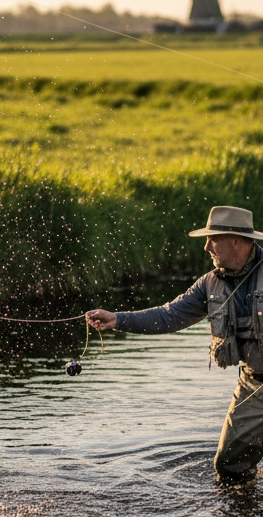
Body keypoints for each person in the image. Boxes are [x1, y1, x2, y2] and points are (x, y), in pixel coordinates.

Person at [86, 205, 263, 481]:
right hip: (253, 384)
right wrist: (117, 319)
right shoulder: (209, 284)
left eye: (212, 239)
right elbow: (168, 316)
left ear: (236, 242)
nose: (206, 247)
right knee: (229, 466)